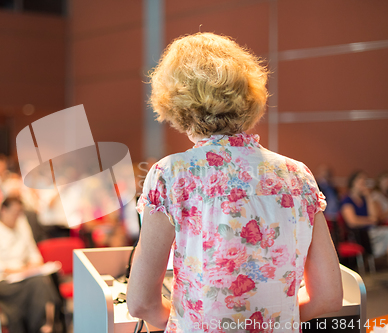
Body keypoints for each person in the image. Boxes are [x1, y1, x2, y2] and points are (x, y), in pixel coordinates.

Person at [126, 32, 342, 332]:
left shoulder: (172, 174)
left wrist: (189, 320)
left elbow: (140, 303)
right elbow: (329, 299)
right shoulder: (298, 176)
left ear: (176, 101)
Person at [0, 196, 58, 333]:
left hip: (24, 277)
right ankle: (43, 325)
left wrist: (35, 264)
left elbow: (33, 252)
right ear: (3, 210)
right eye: (14, 213)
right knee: (38, 284)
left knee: (44, 279)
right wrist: (23, 270)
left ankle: (43, 325)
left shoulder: (22, 224)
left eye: (20, 212)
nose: (17, 216)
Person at [340, 171, 388, 259]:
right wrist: (369, 220)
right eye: (361, 181)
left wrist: (368, 196)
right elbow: (352, 222)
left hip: (371, 231)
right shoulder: (347, 200)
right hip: (358, 234)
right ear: (353, 183)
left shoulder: (365, 199)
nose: (364, 184)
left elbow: (374, 218)